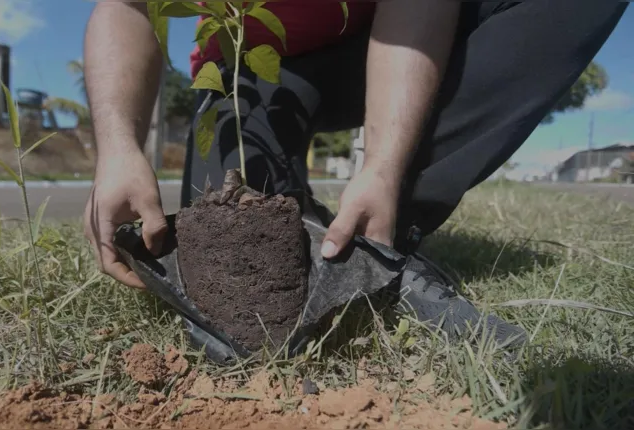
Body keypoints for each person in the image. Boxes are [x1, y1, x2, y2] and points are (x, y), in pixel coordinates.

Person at [82, 1, 628, 344]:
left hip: (385, 42)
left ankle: (379, 243)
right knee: (237, 211)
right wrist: (117, 149)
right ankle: (312, 228)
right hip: (251, 66)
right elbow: (126, 6)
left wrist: (386, 165)